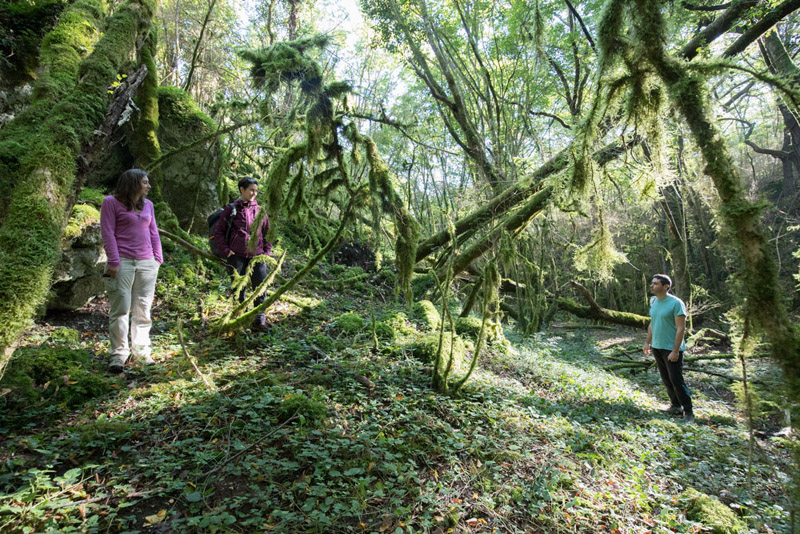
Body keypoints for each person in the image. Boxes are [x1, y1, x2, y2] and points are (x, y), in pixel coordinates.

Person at [100, 169, 162, 373]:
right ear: (133, 183)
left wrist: (157, 259)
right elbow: (107, 232)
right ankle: (119, 353)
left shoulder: (148, 205)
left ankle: (142, 352)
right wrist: (114, 260)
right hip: (123, 262)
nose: (148, 186)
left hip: (147, 263)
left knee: (143, 308)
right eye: (145, 182)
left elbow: (153, 232)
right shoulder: (110, 202)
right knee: (121, 309)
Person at [215, 176, 272, 332]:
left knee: (260, 288)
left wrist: (266, 252)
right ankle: (241, 319)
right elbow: (218, 232)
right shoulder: (231, 209)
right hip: (237, 256)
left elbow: (268, 234)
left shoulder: (260, 211)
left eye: (256, 191)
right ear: (242, 189)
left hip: (258, 256)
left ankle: (259, 321)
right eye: (251, 190)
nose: (254, 193)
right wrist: (226, 251)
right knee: (239, 290)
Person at [643, 274, 694, 423]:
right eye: (652, 283)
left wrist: (675, 350)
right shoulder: (653, 301)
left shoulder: (676, 303)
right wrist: (647, 342)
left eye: (656, 284)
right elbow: (653, 323)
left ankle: (689, 412)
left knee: (676, 380)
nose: (652, 286)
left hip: (671, 348)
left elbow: (681, 328)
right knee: (666, 378)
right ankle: (675, 405)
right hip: (657, 346)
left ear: (666, 287)